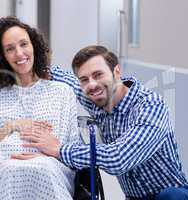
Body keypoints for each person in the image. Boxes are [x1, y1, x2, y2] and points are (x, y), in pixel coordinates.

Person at [11, 45, 188, 200]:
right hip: (134, 197)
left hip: (172, 194)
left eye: (98, 75)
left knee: (171, 196)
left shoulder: (150, 106)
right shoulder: (96, 99)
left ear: (117, 72)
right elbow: (57, 75)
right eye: (84, 79)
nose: (92, 84)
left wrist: (59, 149)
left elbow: (119, 158)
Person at [0, 16, 82, 200]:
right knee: (12, 170)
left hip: (51, 169)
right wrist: (9, 128)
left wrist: (45, 157)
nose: (19, 53)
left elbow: (75, 154)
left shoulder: (62, 92)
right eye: (10, 49)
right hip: (0, 172)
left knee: (43, 169)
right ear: (1, 56)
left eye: (23, 44)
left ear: (34, 45)